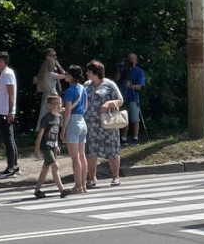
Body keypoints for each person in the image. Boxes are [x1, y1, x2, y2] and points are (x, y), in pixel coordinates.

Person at [83, 60, 123, 189]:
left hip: (107, 124)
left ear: (96, 72)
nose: (87, 73)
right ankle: (92, 177)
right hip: (90, 124)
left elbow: (120, 100)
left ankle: (115, 176)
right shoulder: (86, 85)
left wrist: (109, 104)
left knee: (112, 150)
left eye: (89, 71)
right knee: (91, 151)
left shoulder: (109, 84)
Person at [33, 93, 69, 199]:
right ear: (50, 105)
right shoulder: (46, 118)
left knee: (45, 168)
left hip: (53, 146)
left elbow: (56, 133)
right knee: (55, 166)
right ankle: (62, 190)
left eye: (60, 104)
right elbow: (40, 134)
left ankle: (37, 190)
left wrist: (57, 145)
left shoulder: (58, 118)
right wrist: (36, 149)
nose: (60, 106)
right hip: (46, 147)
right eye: (57, 104)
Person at [60, 66, 89, 194]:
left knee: (75, 158)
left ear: (71, 77)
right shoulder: (83, 88)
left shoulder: (69, 91)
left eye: (66, 74)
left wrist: (63, 128)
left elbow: (67, 111)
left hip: (72, 122)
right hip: (82, 121)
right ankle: (83, 185)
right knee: (82, 155)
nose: (65, 75)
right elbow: (86, 105)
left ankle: (78, 186)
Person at [0, 52, 19, 177]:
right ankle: (14, 165)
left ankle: (11, 167)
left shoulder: (8, 73)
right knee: (8, 138)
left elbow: (11, 94)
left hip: (5, 111)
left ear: (2, 61)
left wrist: (10, 111)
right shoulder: (3, 74)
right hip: (1, 110)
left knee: (8, 139)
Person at [32, 48, 65, 128]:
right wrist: (59, 65)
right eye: (52, 55)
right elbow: (66, 75)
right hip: (52, 95)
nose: (55, 57)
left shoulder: (47, 70)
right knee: (52, 115)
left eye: (55, 55)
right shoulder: (49, 72)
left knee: (48, 115)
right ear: (47, 57)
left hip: (50, 94)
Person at [122, 53, 146, 146]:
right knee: (124, 118)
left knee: (135, 118)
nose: (130, 61)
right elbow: (118, 79)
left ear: (135, 60)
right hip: (124, 97)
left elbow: (140, 87)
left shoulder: (139, 71)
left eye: (132, 59)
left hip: (134, 97)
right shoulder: (124, 70)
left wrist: (130, 85)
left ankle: (135, 138)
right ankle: (124, 138)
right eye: (129, 59)